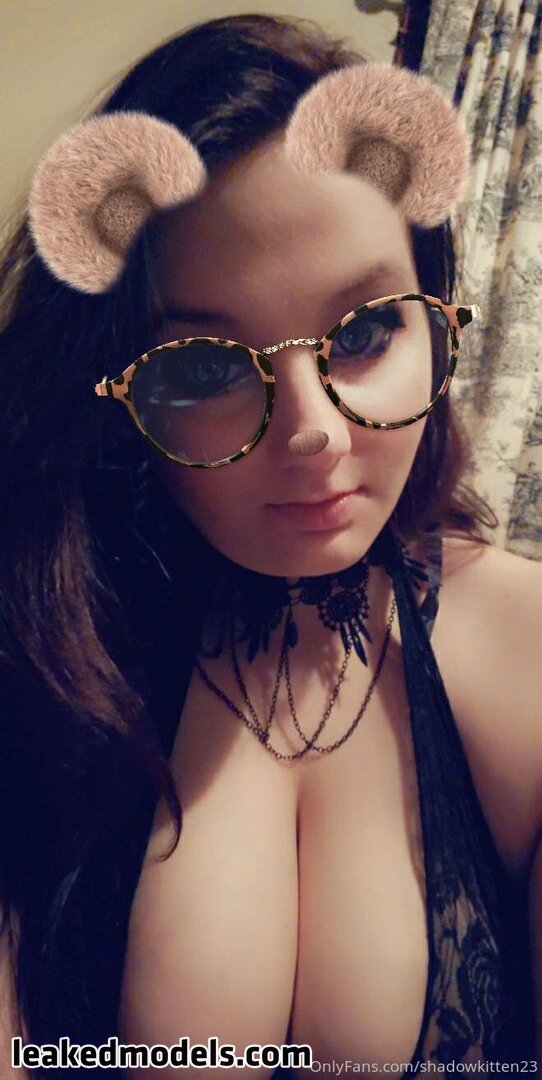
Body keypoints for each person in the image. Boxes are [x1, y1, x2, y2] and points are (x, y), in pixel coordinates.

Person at [0, 13, 540, 1080]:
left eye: (363, 331)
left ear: (436, 317)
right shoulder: (36, 651)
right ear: (115, 390)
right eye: (206, 366)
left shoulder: (525, 653)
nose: (312, 433)